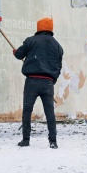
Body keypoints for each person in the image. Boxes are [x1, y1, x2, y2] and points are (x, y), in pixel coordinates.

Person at [13, 17, 63, 149]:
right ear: (50, 29)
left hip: (32, 81)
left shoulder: (31, 41)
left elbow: (19, 55)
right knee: (49, 113)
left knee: (27, 110)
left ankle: (26, 139)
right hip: (48, 83)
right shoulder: (57, 46)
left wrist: (15, 52)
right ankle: (53, 141)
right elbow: (59, 66)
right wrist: (52, 80)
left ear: (39, 28)